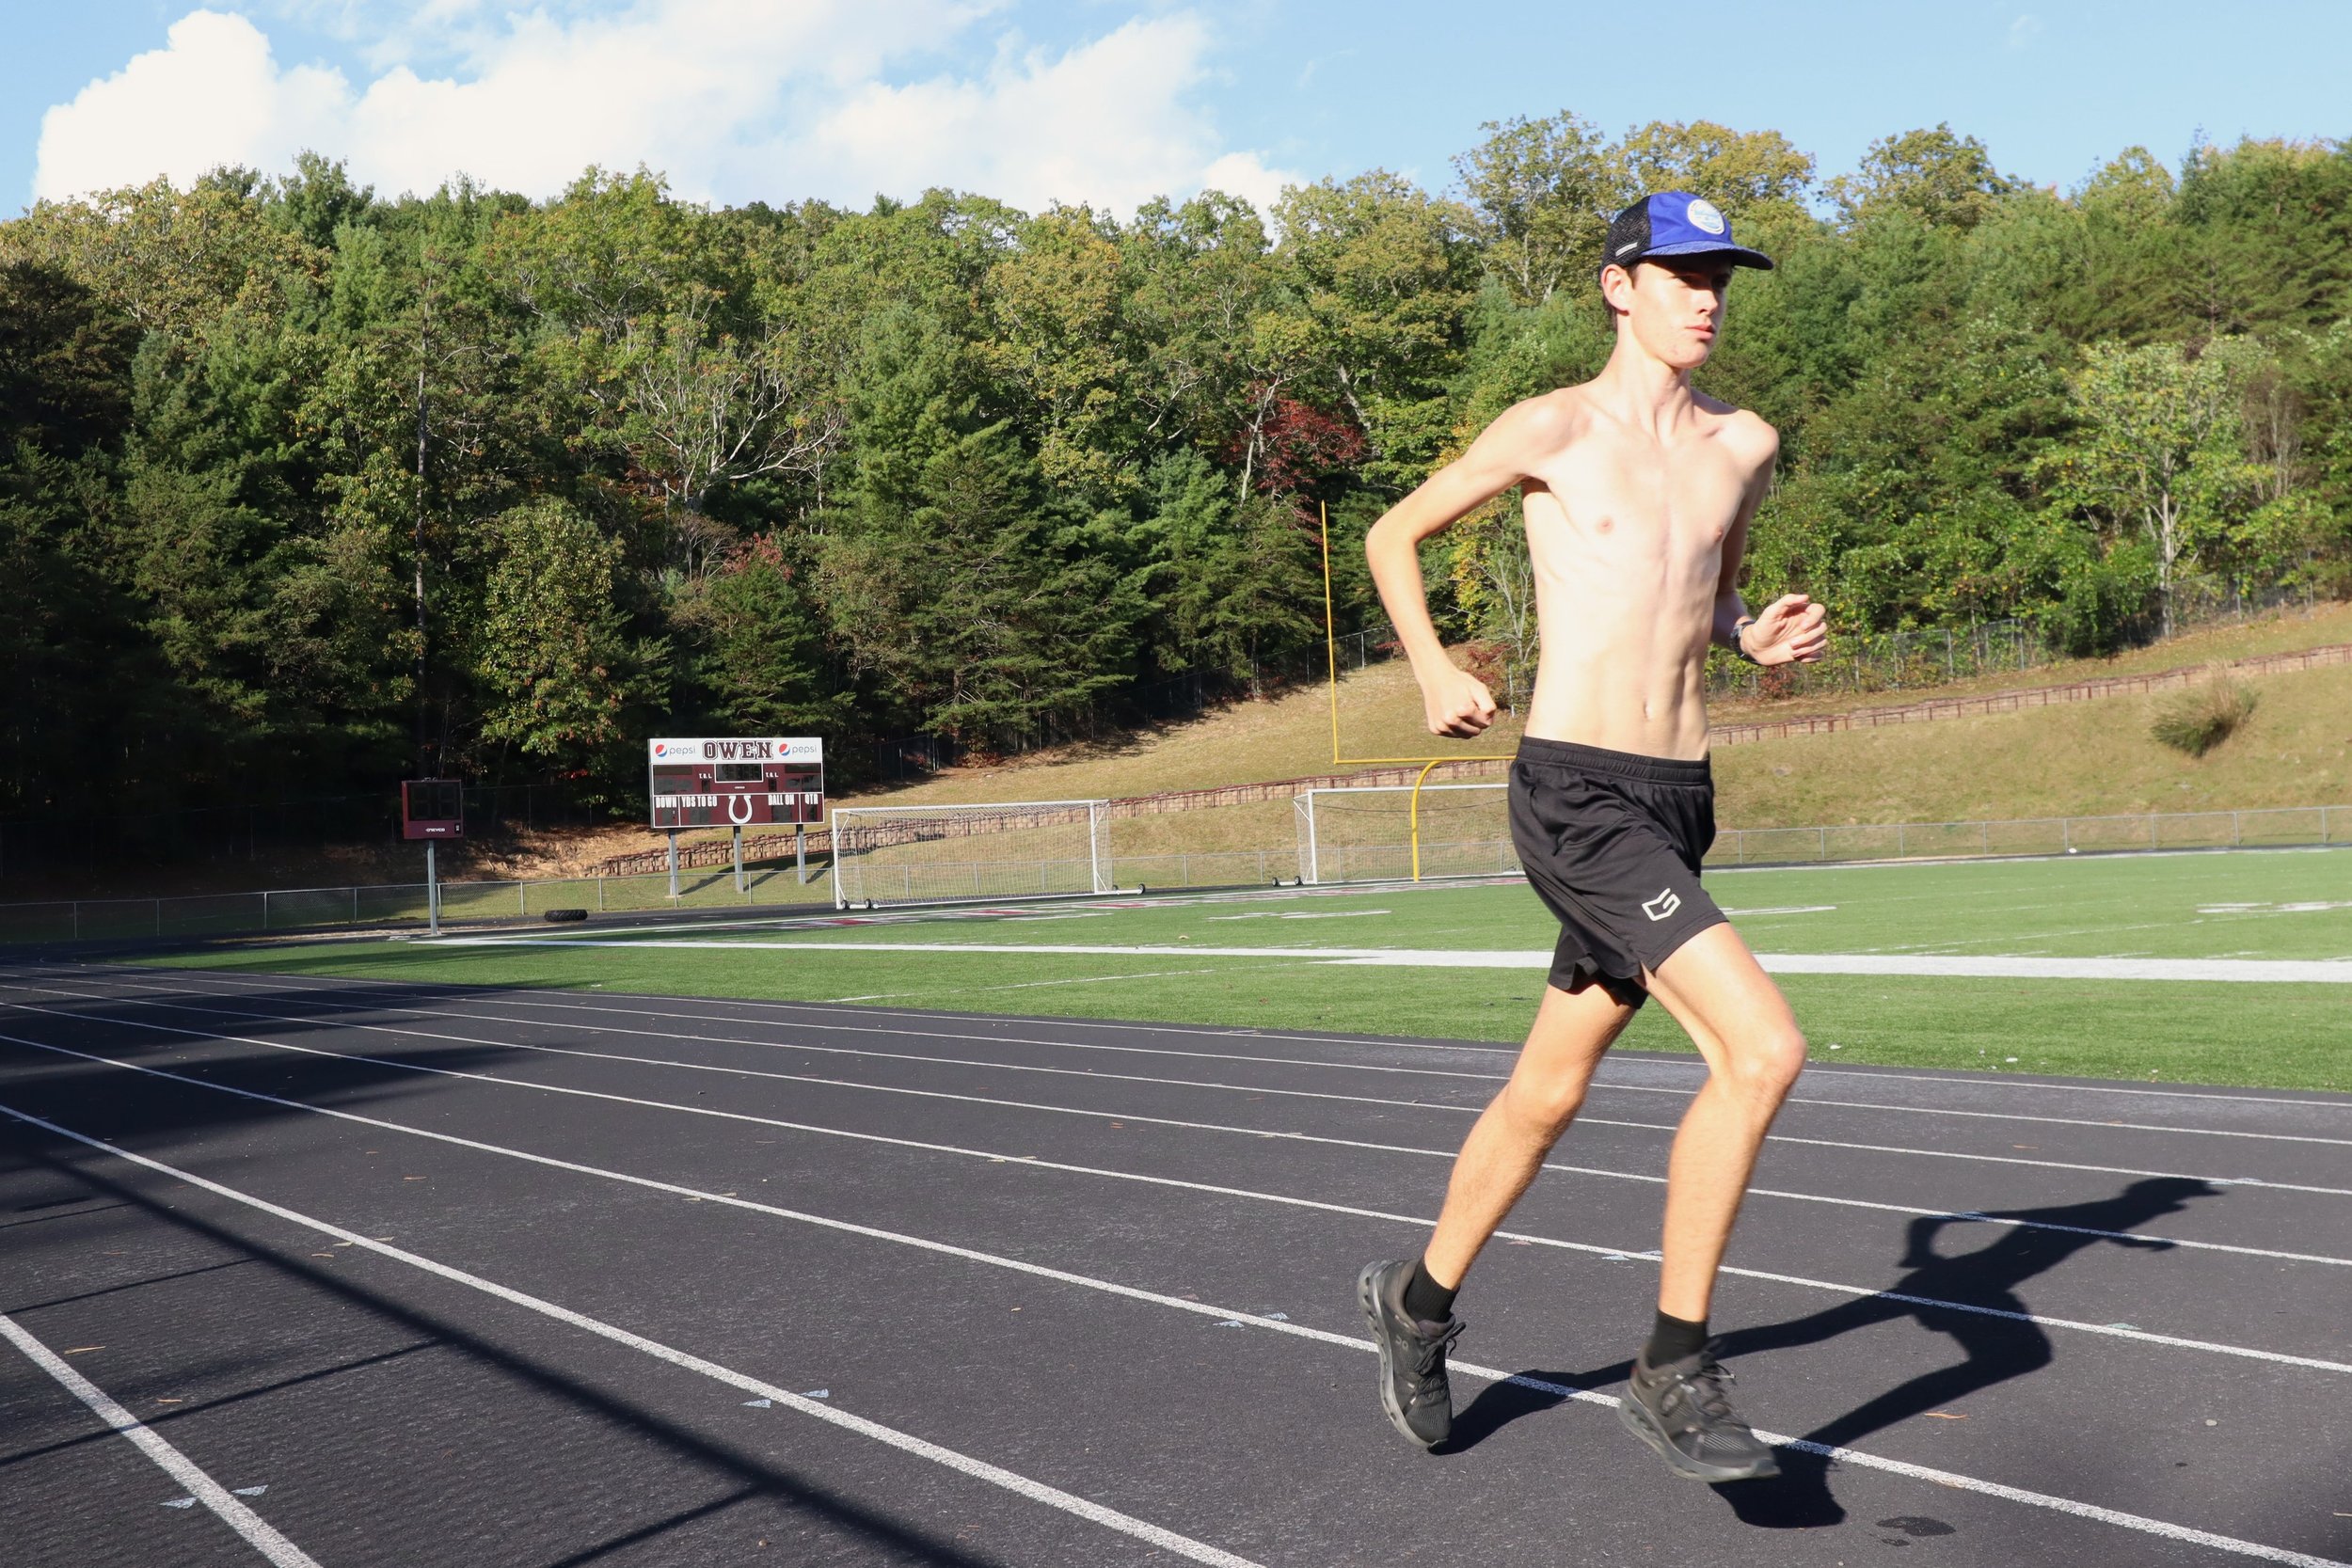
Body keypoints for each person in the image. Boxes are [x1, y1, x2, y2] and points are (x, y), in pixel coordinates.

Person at [1354, 191, 1830, 1481]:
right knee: (1764, 1047)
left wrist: (1754, 638)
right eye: (1680, 272)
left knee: (1551, 1087)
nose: (1707, 294)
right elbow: (1391, 531)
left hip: (1681, 795)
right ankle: (1674, 1366)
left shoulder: (1745, 445)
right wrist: (1432, 668)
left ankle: (1417, 1301)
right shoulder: (1551, 427)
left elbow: (1709, 599)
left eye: (1720, 274)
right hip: (1577, 793)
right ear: (1619, 285)